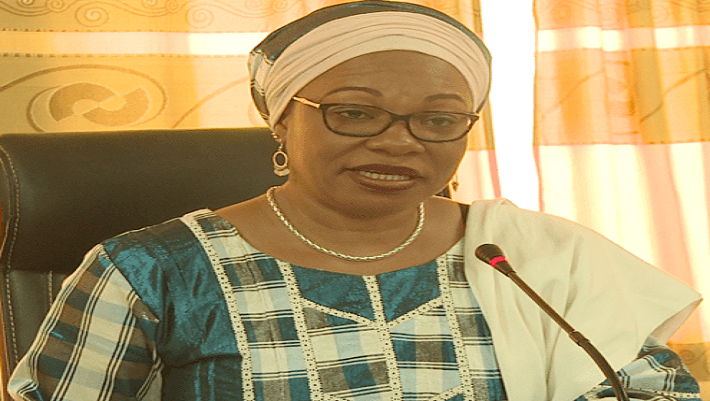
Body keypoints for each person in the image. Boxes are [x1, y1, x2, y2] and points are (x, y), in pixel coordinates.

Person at [7, 1, 702, 400]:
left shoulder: (528, 258)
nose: (399, 141)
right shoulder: (150, 272)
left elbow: (648, 391)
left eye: (438, 119)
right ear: (282, 120)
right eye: (355, 112)